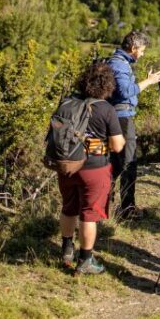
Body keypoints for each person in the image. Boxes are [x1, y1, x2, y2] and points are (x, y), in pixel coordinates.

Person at [58, 62, 126, 275]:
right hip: (94, 168)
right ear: (107, 85)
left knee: (68, 207)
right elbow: (117, 145)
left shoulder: (68, 102)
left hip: (67, 165)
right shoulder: (106, 109)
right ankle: (85, 259)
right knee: (89, 214)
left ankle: (67, 250)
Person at [106, 31, 160, 220]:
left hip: (119, 116)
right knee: (128, 162)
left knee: (115, 163)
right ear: (133, 48)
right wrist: (149, 81)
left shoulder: (119, 63)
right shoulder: (118, 64)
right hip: (121, 118)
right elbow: (125, 92)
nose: (142, 54)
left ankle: (107, 204)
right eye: (142, 50)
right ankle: (127, 209)